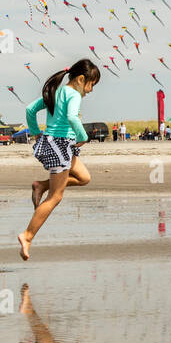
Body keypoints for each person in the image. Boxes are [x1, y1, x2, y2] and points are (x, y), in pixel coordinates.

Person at [17, 59, 99, 260]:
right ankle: (27, 236)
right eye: (91, 85)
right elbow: (72, 117)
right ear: (81, 79)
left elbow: (30, 110)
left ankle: (41, 185)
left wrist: (36, 132)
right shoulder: (74, 94)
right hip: (60, 144)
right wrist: (83, 137)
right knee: (56, 197)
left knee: (84, 178)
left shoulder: (57, 92)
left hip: (61, 144)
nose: (90, 90)